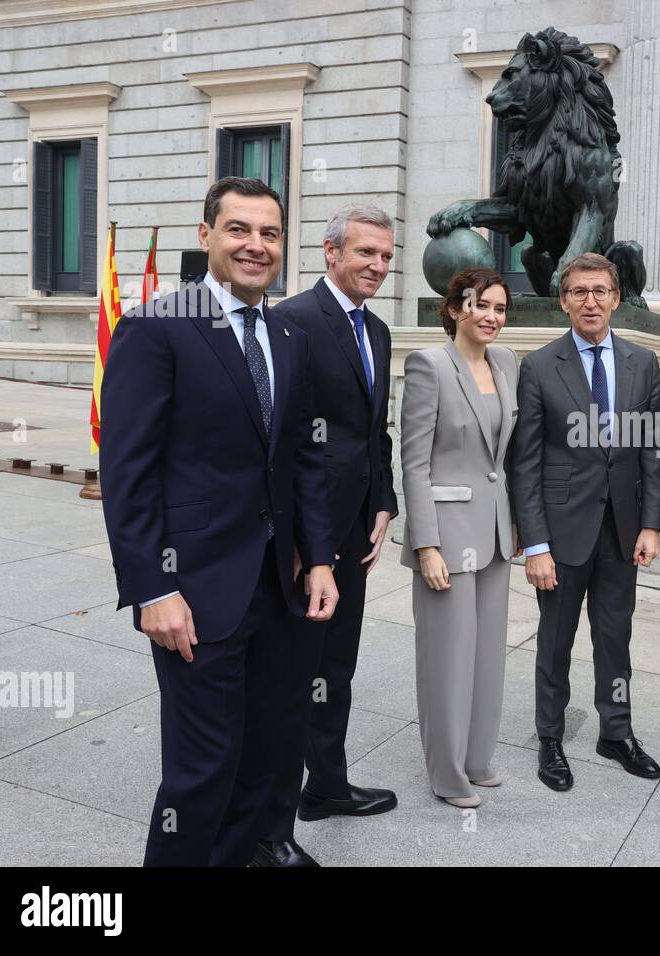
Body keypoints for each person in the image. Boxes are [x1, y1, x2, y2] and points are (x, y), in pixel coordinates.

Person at [99, 177, 339, 866]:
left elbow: (303, 459)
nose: (255, 245)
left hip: (279, 587)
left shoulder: (289, 335)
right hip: (194, 590)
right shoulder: (156, 328)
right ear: (206, 235)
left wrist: (319, 557)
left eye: (268, 233)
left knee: (269, 755)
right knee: (202, 769)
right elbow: (127, 473)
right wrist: (151, 589)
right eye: (238, 229)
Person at [255, 204, 400, 867]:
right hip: (307, 538)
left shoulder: (379, 330)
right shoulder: (291, 322)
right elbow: (285, 444)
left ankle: (328, 785)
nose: (378, 265)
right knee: (292, 677)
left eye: (386, 257)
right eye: (366, 253)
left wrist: (385, 502)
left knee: (335, 666)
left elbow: (378, 432)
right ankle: (272, 826)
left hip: (356, 530)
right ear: (330, 252)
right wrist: (303, 543)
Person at [510, 251, 660, 792]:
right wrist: (535, 544)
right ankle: (549, 737)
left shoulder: (642, 364)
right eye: (579, 292)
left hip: (622, 531)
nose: (590, 301)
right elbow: (525, 462)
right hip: (561, 531)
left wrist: (651, 525)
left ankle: (615, 732)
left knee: (615, 637)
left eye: (600, 291)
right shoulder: (538, 365)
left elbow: (652, 452)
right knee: (555, 639)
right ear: (564, 300)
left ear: (616, 298)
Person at [400, 268, 520, 807]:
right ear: (454, 310)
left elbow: (503, 458)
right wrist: (425, 545)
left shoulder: (507, 362)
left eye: (499, 307)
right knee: (448, 657)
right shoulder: (430, 365)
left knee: (487, 654)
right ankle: (447, 775)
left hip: (495, 530)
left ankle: (477, 759)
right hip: (446, 536)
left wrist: (514, 523)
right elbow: (414, 464)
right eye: (480, 306)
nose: (491, 316)